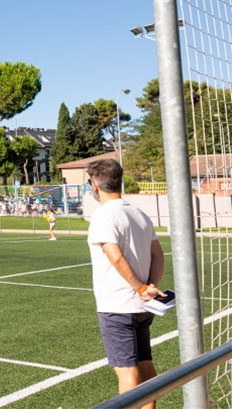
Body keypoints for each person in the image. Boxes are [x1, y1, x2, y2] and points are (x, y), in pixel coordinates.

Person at [86, 158, 166, 408]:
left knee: (127, 372)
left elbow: (116, 256)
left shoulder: (103, 215)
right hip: (142, 307)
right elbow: (158, 254)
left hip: (118, 306)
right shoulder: (139, 214)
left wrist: (142, 288)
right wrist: (150, 286)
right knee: (145, 364)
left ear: (95, 186)